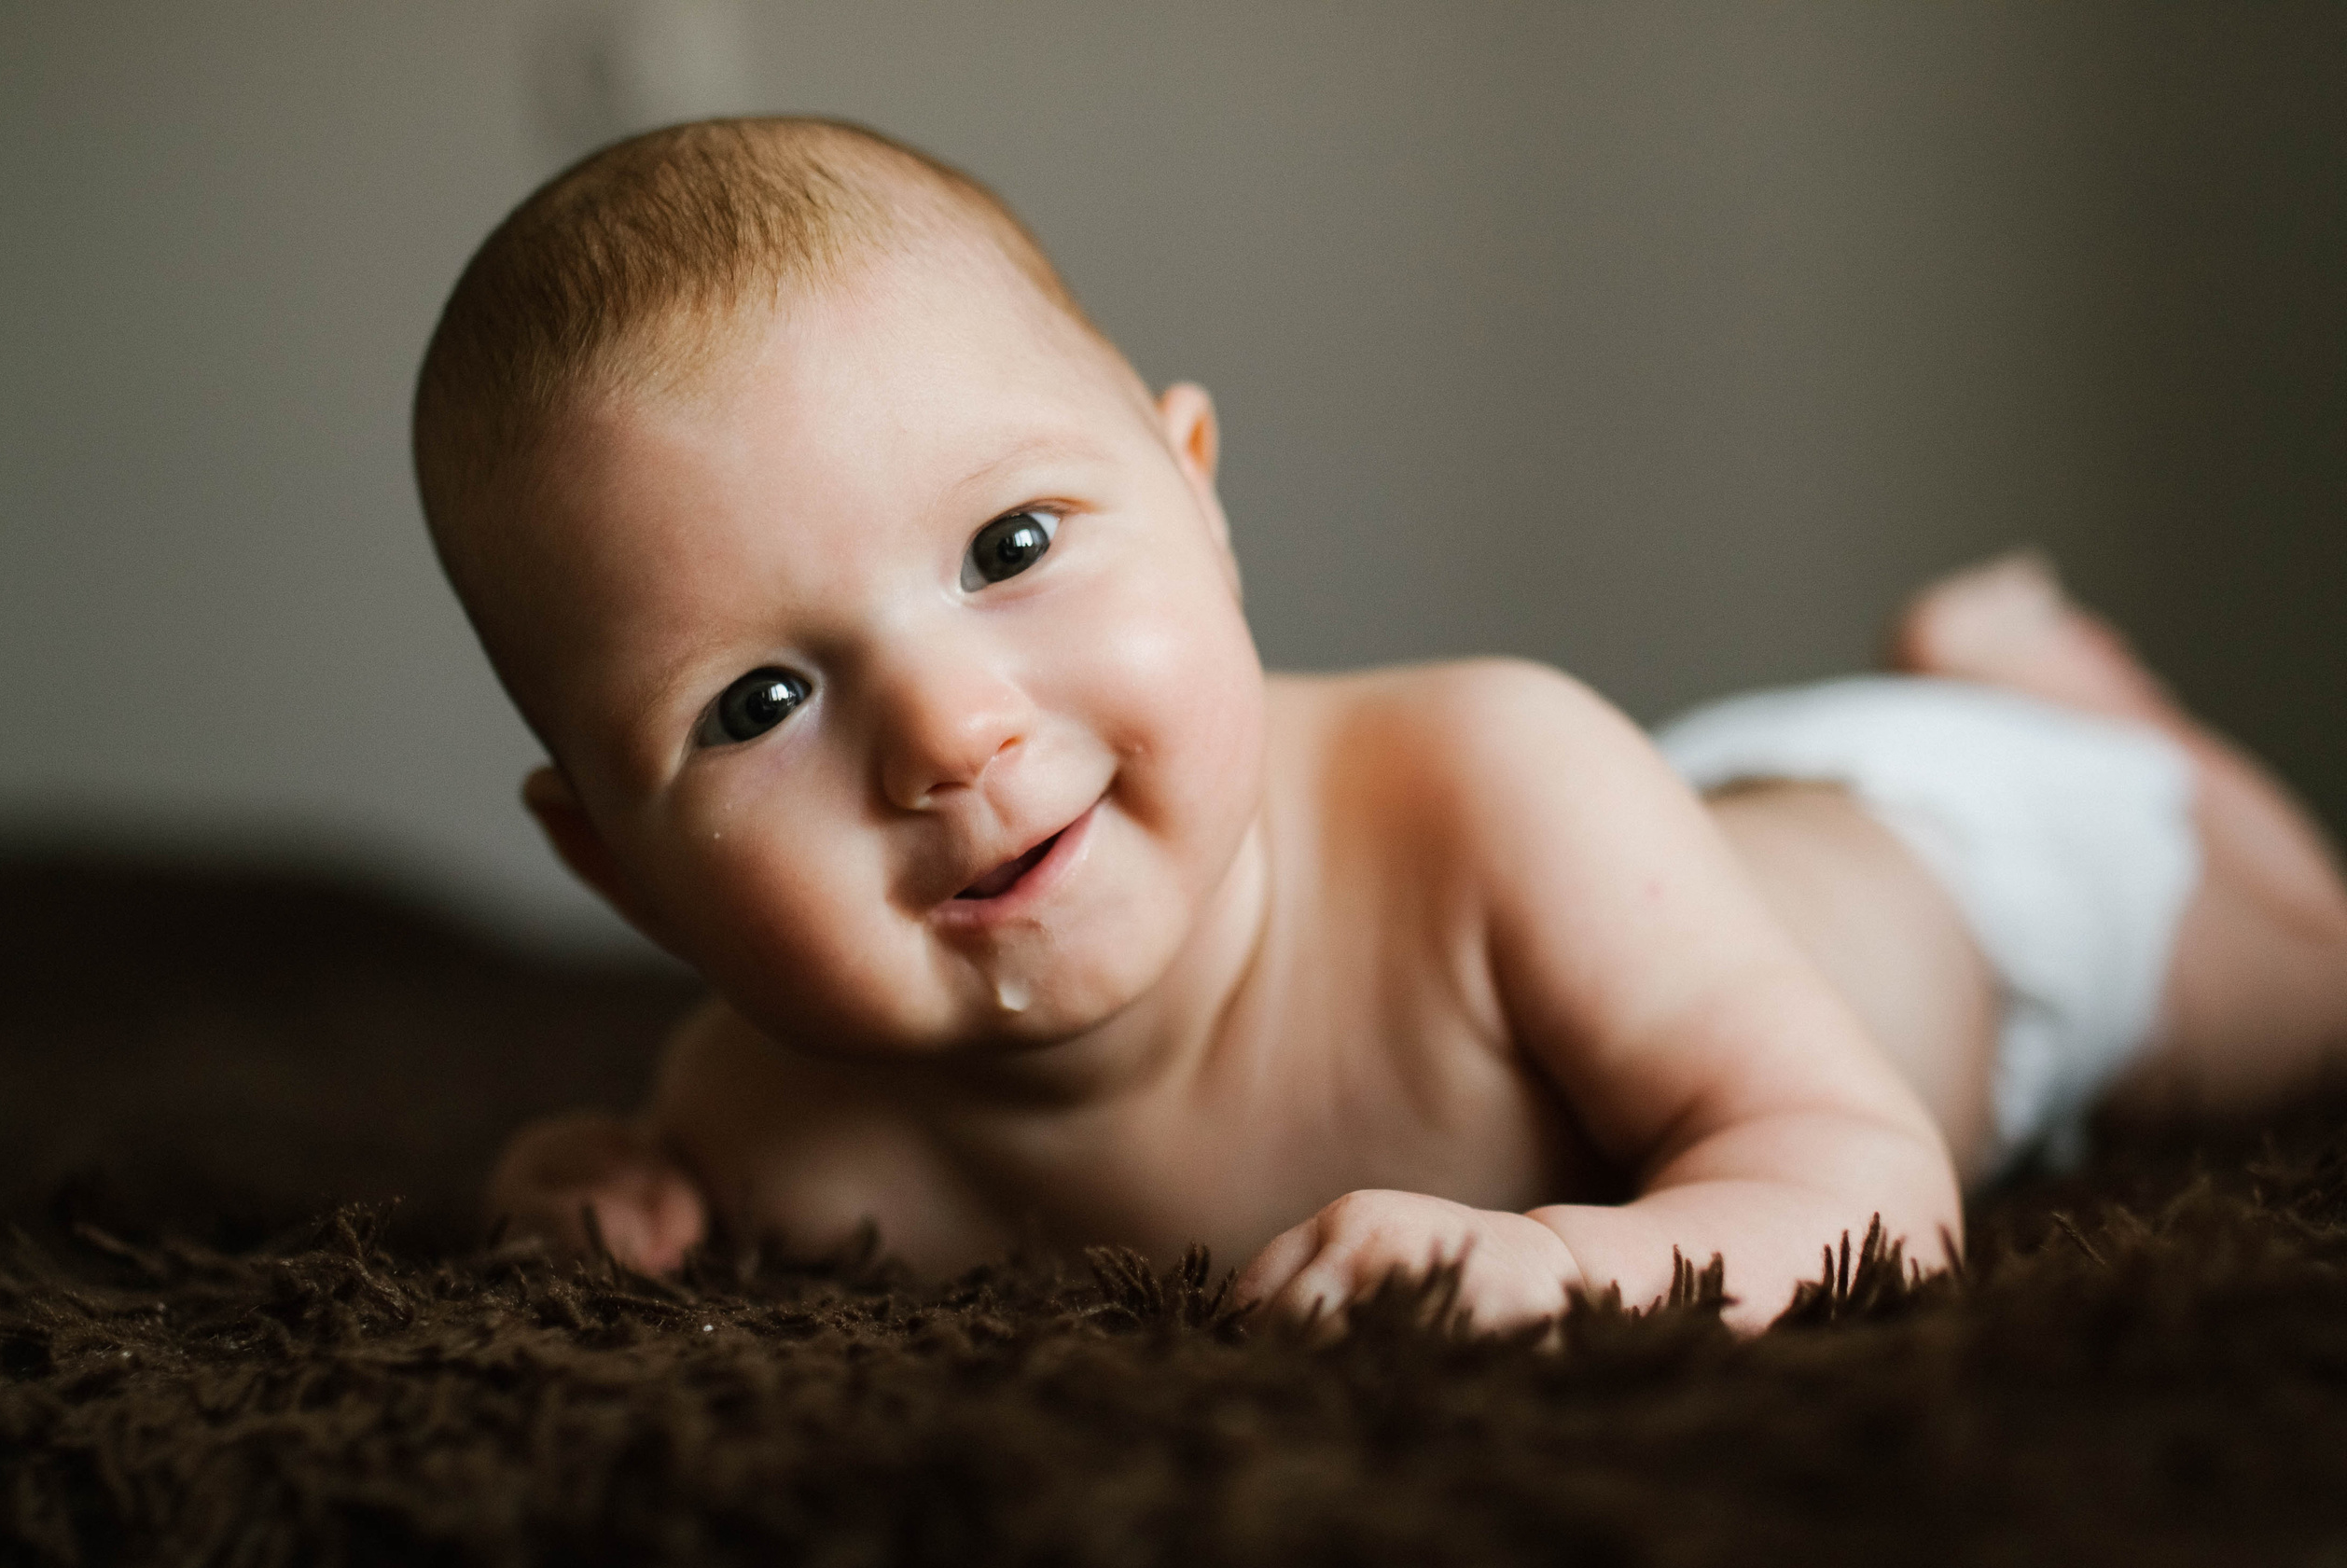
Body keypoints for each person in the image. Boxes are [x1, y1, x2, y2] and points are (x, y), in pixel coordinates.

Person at [413, 118, 2347, 1330]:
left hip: (1989, 885)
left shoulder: (1498, 781)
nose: (948, 729)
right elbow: (639, 1199)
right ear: (611, 858)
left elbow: (1865, 1177)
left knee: (2304, 972)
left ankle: (2043, 699)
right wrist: (594, 1195)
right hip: (1698, 831)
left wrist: (1581, 1260)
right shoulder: (763, 1119)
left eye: (1008, 542)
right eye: (756, 700)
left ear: (1199, 499)